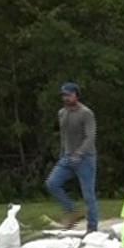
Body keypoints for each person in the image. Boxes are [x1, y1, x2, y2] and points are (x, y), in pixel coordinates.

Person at [46, 82, 100, 230]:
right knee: (52, 183)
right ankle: (71, 210)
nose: (66, 98)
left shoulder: (86, 113)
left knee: (88, 194)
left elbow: (90, 137)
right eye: (64, 95)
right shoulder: (61, 113)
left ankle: (92, 227)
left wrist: (80, 153)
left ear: (76, 95)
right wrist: (63, 153)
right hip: (67, 156)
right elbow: (63, 136)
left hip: (85, 158)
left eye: (69, 95)